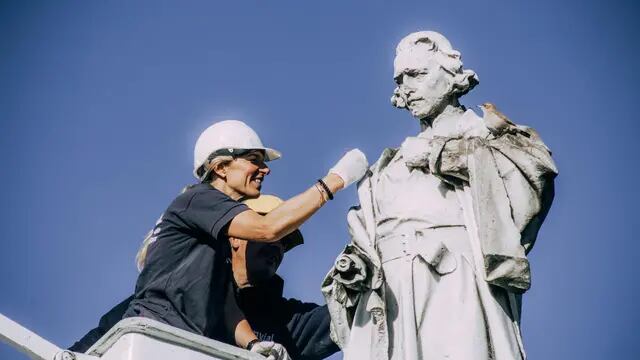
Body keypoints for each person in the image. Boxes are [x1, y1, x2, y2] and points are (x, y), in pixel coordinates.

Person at [322, 31, 558, 360]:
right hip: (392, 295)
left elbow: (532, 177)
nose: (407, 86)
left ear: (450, 78)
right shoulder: (391, 163)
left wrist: (442, 155)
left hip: (452, 283)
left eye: (417, 74)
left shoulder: (485, 136)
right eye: (400, 79)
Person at [119, 119, 365, 359]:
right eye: (254, 160)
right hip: (157, 337)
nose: (265, 169)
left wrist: (255, 345)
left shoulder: (213, 242)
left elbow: (225, 307)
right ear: (221, 167)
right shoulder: (198, 199)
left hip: (181, 343)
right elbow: (268, 228)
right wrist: (334, 180)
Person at [70, 194, 340, 360]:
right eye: (274, 236)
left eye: (285, 243)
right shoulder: (171, 300)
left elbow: (346, 317)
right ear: (237, 235)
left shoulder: (286, 323)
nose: (279, 247)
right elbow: (97, 343)